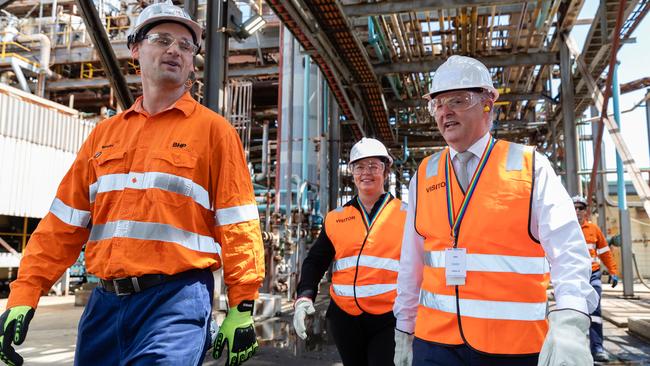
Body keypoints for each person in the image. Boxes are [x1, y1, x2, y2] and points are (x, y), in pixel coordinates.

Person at [0, 2, 264, 366]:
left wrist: (243, 305)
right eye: (162, 39)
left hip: (176, 301)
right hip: (104, 306)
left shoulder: (214, 133)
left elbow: (239, 224)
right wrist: (25, 293)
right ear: (136, 48)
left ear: (192, 62)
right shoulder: (104, 135)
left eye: (186, 46)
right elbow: (62, 224)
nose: (174, 50)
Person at [392, 55, 598, 366]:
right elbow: (412, 263)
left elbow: (568, 249)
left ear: (489, 102)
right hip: (435, 344)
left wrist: (571, 319)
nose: (445, 112)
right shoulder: (424, 174)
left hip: (513, 347)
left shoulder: (529, 166)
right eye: (437, 104)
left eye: (458, 100)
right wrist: (404, 328)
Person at [292, 138, 407, 366]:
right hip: (344, 318)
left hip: (388, 318)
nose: (366, 172)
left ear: (385, 171)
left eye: (374, 166)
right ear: (352, 172)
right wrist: (304, 295)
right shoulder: (336, 217)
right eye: (359, 167)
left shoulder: (407, 214)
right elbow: (316, 260)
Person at [573, 195, 618, 362]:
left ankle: (597, 348)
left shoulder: (593, 229)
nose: (577, 211)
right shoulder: (564, 229)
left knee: (595, 312)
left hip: (592, 274)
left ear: (586, 211)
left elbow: (605, 252)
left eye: (581, 208)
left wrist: (613, 271)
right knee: (572, 312)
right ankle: (575, 350)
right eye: (575, 207)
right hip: (574, 276)